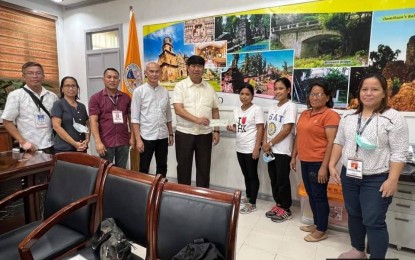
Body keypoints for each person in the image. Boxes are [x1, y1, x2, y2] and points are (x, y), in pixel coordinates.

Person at [329, 73, 409, 259]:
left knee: (373, 221)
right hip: (349, 175)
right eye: (365, 89)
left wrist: (392, 179)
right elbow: (339, 142)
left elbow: (399, 152)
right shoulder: (348, 116)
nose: (368, 93)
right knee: (354, 214)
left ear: (383, 93)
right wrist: (333, 165)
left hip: (377, 177)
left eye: (374, 89)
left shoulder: (393, 118)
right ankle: (358, 250)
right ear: (359, 92)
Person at [290, 81, 340, 242]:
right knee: (311, 195)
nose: (315, 97)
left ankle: (321, 230)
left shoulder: (330, 115)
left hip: (318, 163)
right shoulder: (305, 114)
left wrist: (324, 167)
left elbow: (332, 143)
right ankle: (317, 224)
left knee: (319, 196)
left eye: (319, 94)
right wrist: (293, 156)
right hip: (304, 160)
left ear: (327, 98)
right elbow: (299, 136)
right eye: (312, 94)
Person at [172, 55, 220, 188]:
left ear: (203, 69)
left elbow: (215, 110)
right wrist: (197, 120)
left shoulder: (209, 88)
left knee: (204, 168)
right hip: (184, 133)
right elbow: (178, 110)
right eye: (193, 66)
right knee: (183, 167)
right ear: (187, 68)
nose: (196, 69)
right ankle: (183, 194)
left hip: (205, 135)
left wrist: (216, 130)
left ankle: (202, 197)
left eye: (199, 66)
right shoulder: (180, 86)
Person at [1, 62, 58, 154]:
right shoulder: (16, 95)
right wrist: (23, 142)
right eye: (30, 73)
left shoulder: (52, 96)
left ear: (43, 76)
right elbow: (7, 122)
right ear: (23, 76)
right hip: (30, 147)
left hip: (52, 145)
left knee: (53, 168)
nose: (35, 76)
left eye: (38, 73)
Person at [262, 77, 297, 222]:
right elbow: (266, 127)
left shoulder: (290, 106)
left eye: (281, 88)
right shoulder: (272, 107)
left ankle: (286, 208)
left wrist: (269, 143)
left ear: (288, 90)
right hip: (270, 150)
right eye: (275, 88)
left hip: (282, 150)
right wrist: (265, 143)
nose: (277, 91)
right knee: (274, 179)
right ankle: (278, 204)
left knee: (282, 180)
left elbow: (287, 129)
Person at [226, 83, 264, 214]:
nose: (244, 96)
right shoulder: (237, 110)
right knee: (246, 174)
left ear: (252, 96)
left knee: (252, 175)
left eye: (247, 94)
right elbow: (240, 128)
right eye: (242, 94)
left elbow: (260, 129)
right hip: (240, 147)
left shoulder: (256, 109)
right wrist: (231, 128)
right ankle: (248, 197)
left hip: (251, 147)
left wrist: (256, 148)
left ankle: (252, 203)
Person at [131, 62, 174, 177]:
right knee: (144, 167)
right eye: (151, 71)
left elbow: (168, 114)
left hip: (162, 136)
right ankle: (144, 192)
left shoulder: (164, 91)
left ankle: (159, 191)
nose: (154, 74)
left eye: (157, 71)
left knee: (162, 166)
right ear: (145, 73)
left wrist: (171, 133)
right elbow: (135, 118)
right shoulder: (138, 92)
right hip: (146, 137)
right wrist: (138, 140)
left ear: (160, 73)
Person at [89, 68, 134, 168]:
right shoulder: (96, 98)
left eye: (115, 77)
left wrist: (132, 137)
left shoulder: (126, 97)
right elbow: (93, 121)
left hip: (123, 141)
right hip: (105, 142)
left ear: (119, 80)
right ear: (103, 79)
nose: (112, 80)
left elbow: (131, 119)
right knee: (104, 171)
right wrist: (98, 142)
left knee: (121, 171)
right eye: (109, 77)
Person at [51, 76, 90, 153]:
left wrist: (87, 139)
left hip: (82, 147)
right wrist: (75, 144)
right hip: (64, 149)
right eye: (67, 86)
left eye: (73, 86)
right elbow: (56, 126)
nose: (71, 88)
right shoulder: (58, 104)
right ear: (62, 89)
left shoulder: (81, 106)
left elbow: (88, 124)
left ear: (77, 88)